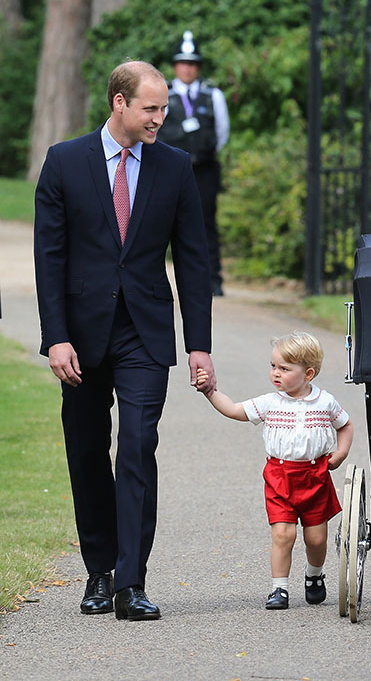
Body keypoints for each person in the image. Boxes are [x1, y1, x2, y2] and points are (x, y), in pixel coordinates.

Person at [34, 60, 216, 621]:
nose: (161, 118)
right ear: (120, 103)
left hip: (145, 331)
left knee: (138, 447)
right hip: (81, 339)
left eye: (162, 108)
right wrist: (55, 339)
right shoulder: (65, 161)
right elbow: (50, 258)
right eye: (151, 108)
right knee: (88, 453)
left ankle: (131, 582)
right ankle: (98, 571)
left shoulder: (175, 167)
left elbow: (192, 259)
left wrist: (199, 344)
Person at [196, 331, 354, 610]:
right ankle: (278, 588)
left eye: (284, 368)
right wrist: (210, 391)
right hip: (280, 477)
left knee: (316, 538)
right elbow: (233, 410)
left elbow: (345, 425)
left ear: (308, 373)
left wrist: (340, 453)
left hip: (315, 476)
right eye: (273, 366)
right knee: (284, 534)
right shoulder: (270, 403)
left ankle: (314, 575)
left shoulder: (324, 402)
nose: (276, 374)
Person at [157, 31, 229, 296]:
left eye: (192, 63)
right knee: (162, 224)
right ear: (176, 65)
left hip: (204, 170)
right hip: (169, 170)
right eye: (183, 63)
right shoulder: (165, 94)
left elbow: (222, 133)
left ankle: (212, 281)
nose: (187, 68)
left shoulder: (213, 96)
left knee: (206, 225)